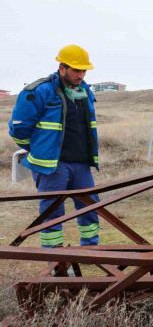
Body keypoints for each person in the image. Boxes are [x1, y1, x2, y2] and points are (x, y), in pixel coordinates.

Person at [9, 44, 100, 248]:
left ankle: (92, 250)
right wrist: (39, 150)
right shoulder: (39, 91)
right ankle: (53, 259)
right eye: (76, 70)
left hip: (81, 164)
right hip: (51, 165)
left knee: (90, 208)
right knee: (52, 213)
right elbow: (19, 129)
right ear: (62, 67)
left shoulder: (84, 91)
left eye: (84, 70)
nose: (81, 75)